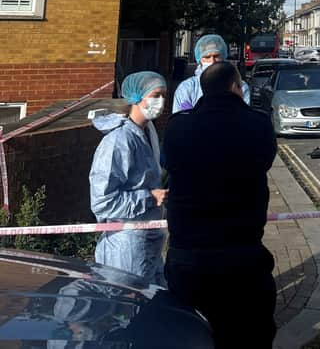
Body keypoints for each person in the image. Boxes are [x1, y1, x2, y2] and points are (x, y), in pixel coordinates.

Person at [163, 62, 277, 348]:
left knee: (186, 335)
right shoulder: (259, 123)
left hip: (188, 257)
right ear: (236, 87)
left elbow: (169, 165)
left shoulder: (178, 127)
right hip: (242, 255)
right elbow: (265, 159)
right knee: (250, 335)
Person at [89, 71, 168, 284]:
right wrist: (149, 198)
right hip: (125, 248)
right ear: (136, 97)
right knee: (127, 310)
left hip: (148, 241)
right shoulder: (119, 141)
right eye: (156, 95)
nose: (161, 102)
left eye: (164, 96)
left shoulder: (146, 133)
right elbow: (102, 202)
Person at [172, 34, 250, 112]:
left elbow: (243, 117)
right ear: (199, 60)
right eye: (207, 57)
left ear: (223, 57)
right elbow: (181, 119)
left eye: (216, 56)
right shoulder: (186, 88)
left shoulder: (239, 86)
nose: (212, 61)